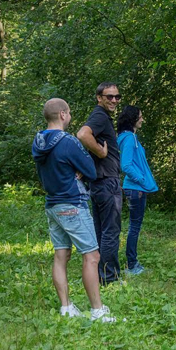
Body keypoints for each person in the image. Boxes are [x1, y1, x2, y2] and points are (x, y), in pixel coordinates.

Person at [32, 98, 115, 322]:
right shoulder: (67, 141)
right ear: (62, 114)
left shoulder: (38, 141)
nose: (69, 116)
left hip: (52, 205)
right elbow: (90, 169)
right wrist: (78, 169)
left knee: (61, 255)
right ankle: (98, 311)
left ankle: (66, 307)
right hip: (72, 203)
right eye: (68, 113)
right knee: (92, 255)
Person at [77, 82, 123, 285]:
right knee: (110, 231)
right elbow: (82, 134)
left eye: (117, 97)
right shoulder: (100, 116)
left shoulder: (103, 117)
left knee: (101, 231)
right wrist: (100, 151)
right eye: (109, 96)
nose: (113, 100)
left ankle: (98, 275)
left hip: (99, 182)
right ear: (99, 98)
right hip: (107, 182)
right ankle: (109, 278)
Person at [117, 105, 158, 275]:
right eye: (140, 116)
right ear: (133, 119)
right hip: (135, 188)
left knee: (134, 226)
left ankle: (132, 262)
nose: (142, 119)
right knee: (134, 227)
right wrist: (141, 180)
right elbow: (125, 164)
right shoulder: (129, 139)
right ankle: (132, 265)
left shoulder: (127, 137)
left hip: (134, 188)